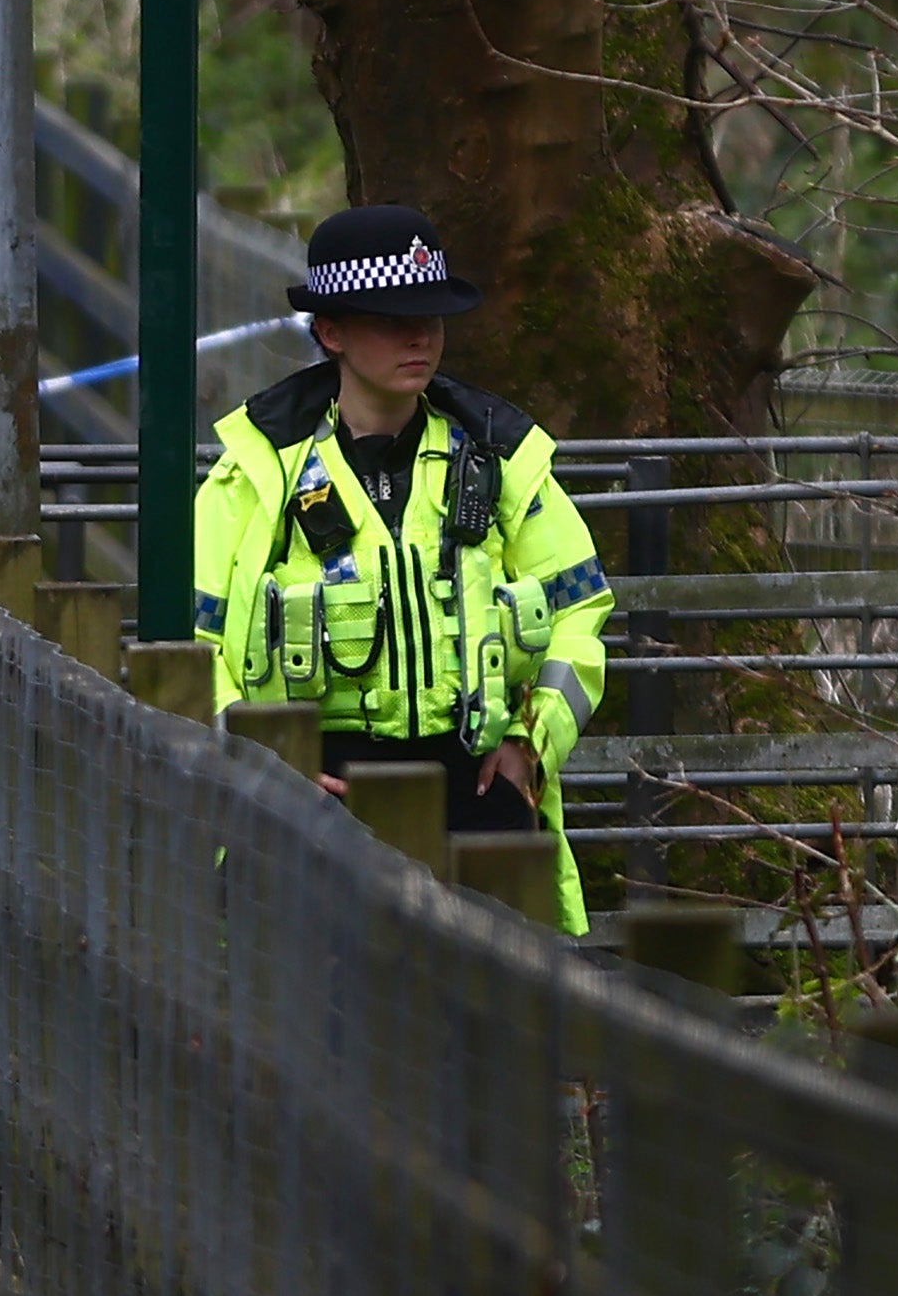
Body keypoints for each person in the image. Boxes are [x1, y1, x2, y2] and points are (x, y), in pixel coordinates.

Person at [189, 207, 614, 933]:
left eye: (433, 317)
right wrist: (257, 760)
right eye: (391, 318)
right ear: (331, 332)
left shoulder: (502, 457)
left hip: (476, 791)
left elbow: (581, 610)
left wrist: (529, 746)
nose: (420, 336)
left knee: (494, 1027)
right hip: (307, 797)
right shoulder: (255, 474)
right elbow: (191, 640)